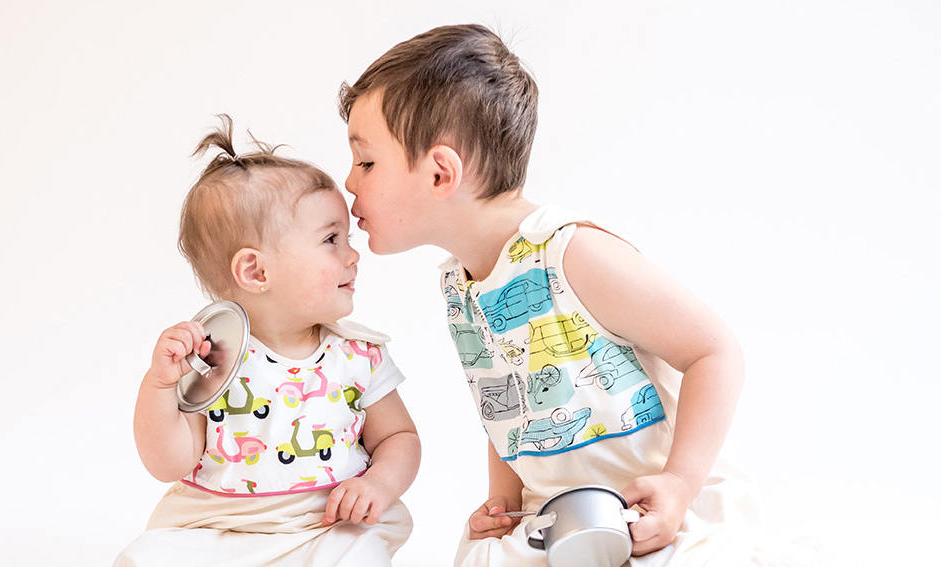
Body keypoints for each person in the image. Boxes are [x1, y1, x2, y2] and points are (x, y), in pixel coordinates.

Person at [339, 24, 828, 567]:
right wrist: (504, 501)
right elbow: (506, 408)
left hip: (657, 512)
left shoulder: (571, 252)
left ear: (440, 173)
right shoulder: (459, 285)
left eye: (365, 162)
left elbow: (715, 351)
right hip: (563, 518)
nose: (350, 183)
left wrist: (679, 484)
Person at [114, 115, 420, 567]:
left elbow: (399, 436)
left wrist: (379, 484)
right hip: (218, 526)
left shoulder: (358, 355)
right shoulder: (212, 355)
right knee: (145, 557)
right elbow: (169, 464)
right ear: (256, 272)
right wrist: (159, 388)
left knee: (359, 554)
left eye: (347, 238)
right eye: (331, 239)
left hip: (325, 525)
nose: (353, 254)